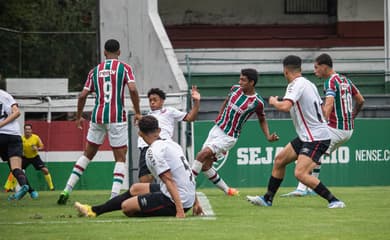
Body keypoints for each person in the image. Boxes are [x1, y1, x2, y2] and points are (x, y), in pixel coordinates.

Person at [246, 55, 346, 208]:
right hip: (308, 135)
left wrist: (273, 102)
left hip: (315, 137)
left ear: (286, 71)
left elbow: (285, 107)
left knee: (300, 173)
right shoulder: (310, 84)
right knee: (280, 160)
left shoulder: (295, 84)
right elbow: (321, 108)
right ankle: (267, 199)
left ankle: (335, 201)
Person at [57, 39, 142, 205]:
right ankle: (113, 197)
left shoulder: (94, 71)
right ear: (119, 52)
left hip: (97, 117)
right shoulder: (125, 68)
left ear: (104, 52)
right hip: (116, 117)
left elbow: (82, 95)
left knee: (87, 154)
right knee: (120, 158)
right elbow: (132, 89)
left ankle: (67, 189)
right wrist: (137, 112)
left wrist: (78, 116)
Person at [74, 115, 202, 218]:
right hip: (186, 196)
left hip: (177, 201)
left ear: (140, 134)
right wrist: (196, 202)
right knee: (136, 188)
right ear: (159, 130)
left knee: (126, 207)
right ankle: (94, 211)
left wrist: (180, 211)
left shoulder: (154, 151)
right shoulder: (172, 144)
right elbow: (187, 174)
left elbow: (168, 179)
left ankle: (151, 210)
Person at [281, 53, 365, 197]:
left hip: (334, 129)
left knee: (305, 157)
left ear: (325, 67)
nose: (315, 71)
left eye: (316, 67)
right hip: (348, 130)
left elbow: (329, 102)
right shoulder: (345, 80)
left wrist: (321, 121)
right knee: (317, 157)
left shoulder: (330, 82)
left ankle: (302, 189)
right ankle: (312, 189)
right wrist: (352, 117)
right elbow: (361, 100)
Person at [191, 68, 279, 196]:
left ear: (251, 83)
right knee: (205, 166)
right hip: (216, 129)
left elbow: (262, 119)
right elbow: (226, 101)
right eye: (240, 78)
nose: (240, 82)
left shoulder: (257, 102)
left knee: (201, 155)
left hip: (229, 136)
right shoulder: (235, 89)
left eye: (243, 80)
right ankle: (228, 191)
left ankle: (186, 185)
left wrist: (268, 136)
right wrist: (220, 115)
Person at [137, 87, 200, 183]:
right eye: (150, 100)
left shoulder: (169, 111)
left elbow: (190, 118)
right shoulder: (146, 116)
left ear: (162, 101)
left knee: (169, 177)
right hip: (146, 148)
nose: (152, 103)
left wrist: (196, 102)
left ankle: (178, 193)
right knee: (144, 181)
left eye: (155, 100)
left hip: (164, 147)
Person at [0, 89, 36, 200]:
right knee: (16, 168)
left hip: (1, 136)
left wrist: (1, 125)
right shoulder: (6, 95)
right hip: (14, 136)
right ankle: (29, 189)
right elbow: (17, 112)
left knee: (13, 168)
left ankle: (29, 189)